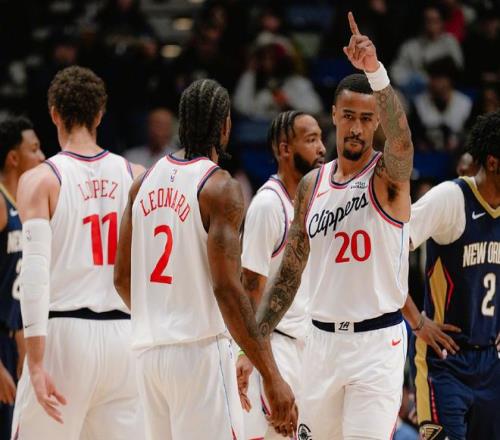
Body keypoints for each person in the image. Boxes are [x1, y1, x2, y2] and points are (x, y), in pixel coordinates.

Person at [256, 12, 414, 439]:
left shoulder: (388, 178)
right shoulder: (312, 185)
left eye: (365, 118)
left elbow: (402, 143)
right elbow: (289, 273)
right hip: (320, 343)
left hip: (376, 345)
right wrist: (254, 345)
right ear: (334, 116)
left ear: (376, 122)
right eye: (348, 116)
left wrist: (376, 73)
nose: (356, 127)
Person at [113, 78, 297, 440]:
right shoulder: (220, 187)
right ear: (225, 126)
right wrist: (271, 376)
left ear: (182, 123)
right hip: (199, 354)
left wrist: (162, 317)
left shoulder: (141, 183)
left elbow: (121, 278)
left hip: (148, 355)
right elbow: (228, 290)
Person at [11, 66, 144, 439]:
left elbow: (33, 276)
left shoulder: (40, 179)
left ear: (54, 113)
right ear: (100, 114)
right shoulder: (136, 175)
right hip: (125, 337)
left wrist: (35, 362)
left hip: (63, 335)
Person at [404, 111, 500, 440]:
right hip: (445, 358)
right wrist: (416, 320)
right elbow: (389, 249)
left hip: (490, 361)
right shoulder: (451, 198)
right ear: (493, 162)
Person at [236, 110, 325, 439]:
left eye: (321, 138)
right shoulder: (267, 206)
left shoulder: (316, 202)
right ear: (285, 149)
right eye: (311, 140)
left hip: (309, 346)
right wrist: (249, 355)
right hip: (275, 347)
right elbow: (249, 290)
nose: (322, 148)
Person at [0, 117, 44, 440]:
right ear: (13, 158)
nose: (42, 157)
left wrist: (20, 337)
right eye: (34, 149)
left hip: (13, 339)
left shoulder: (25, 206)